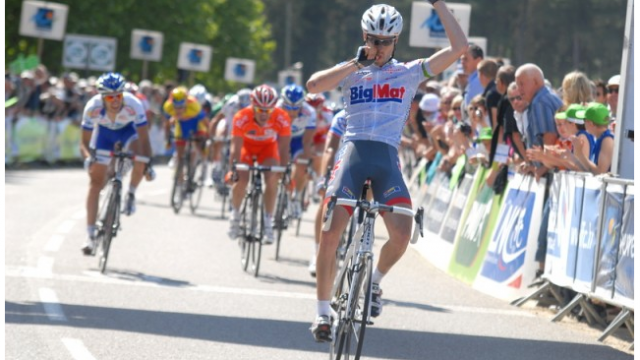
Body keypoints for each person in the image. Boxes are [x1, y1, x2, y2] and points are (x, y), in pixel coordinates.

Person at [305, 0, 467, 342]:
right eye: (372, 40)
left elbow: (459, 48)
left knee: (402, 233)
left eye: (385, 42)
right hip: (354, 153)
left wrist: (437, 4)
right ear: (364, 37)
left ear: (395, 42)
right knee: (330, 231)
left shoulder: (408, 72)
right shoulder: (351, 69)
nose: (377, 48)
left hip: (386, 159)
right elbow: (314, 86)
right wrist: (354, 62)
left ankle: (374, 283)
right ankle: (321, 313)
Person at [79, 72, 152, 255]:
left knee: (139, 158)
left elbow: (144, 138)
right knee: (95, 183)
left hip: (127, 133)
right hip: (103, 136)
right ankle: (90, 235)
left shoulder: (134, 105)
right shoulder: (92, 108)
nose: (115, 100)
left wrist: (147, 163)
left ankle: (131, 193)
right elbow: (84, 143)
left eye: (118, 96)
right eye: (110, 97)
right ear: (102, 97)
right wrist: (89, 157)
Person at [226, 84, 292, 245]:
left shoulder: (282, 117)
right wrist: (232, 170)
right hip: (246, 148)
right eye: (260, 110)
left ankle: (268, 221)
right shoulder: (241, 116)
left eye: (268, 110)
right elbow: (235, 147)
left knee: (272, 178)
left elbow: (284, 148)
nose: (264, 114)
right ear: (252, 106)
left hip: (267, 149)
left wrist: (285, 173)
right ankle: (235, 214)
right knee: (241, 179)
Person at [311, 109, 347, 277]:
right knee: (325, 202)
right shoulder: (341, 118)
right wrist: (325, 175)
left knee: (367, 204)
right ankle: (317, 251)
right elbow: (330, 149)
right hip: (339, 164)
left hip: (362, 165)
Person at [515, 63, 562, 180]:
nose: (519, 90)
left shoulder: (539, 102)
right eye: (517, 85)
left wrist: (543, 167)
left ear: (535, 81)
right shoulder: (546, 96)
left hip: (550, 175)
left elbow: (550, 136)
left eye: (522, 84)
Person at [278, 84, 316, 219]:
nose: (292, 112)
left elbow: (307, 141)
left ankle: (297, 197)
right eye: (288, 107)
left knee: (302, 165)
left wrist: (305, 159)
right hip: (279, 137)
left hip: (298, 140)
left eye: (296, 108)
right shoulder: (275, 109)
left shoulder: (309, 112)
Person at [163, 86, 209, 186]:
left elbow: (205, 121)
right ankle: (180, 180)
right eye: (176, 107)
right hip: (182, 126)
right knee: (180, 157)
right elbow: (167, 124)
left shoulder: (194, 105)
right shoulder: (168, 106)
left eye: (181, 107)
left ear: (186, 102)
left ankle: (204, 165)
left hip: (196, 124)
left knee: (199, 144)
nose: (179, 110)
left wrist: (208, 135)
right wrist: (167, 139)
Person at [210, 88, 252, 185]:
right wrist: (212, 138)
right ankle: (216, 166)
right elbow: (217, 119)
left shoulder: (253, 108)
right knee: (219, 137)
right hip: (229, 127)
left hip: (242, 132)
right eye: (241, 106)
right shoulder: (231, 103)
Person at [573, 102, 614, 174]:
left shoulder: (607, 140)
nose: (583, 123)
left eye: (584, 120)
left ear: (590, 123)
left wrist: (580, 154)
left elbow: (600, 173)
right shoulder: (601, 138)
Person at [460, 43, 484, 119]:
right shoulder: (473, 80)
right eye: (461, 59)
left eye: (466, 59)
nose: (462, 62)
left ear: (478, 61)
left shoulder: (479, 81)